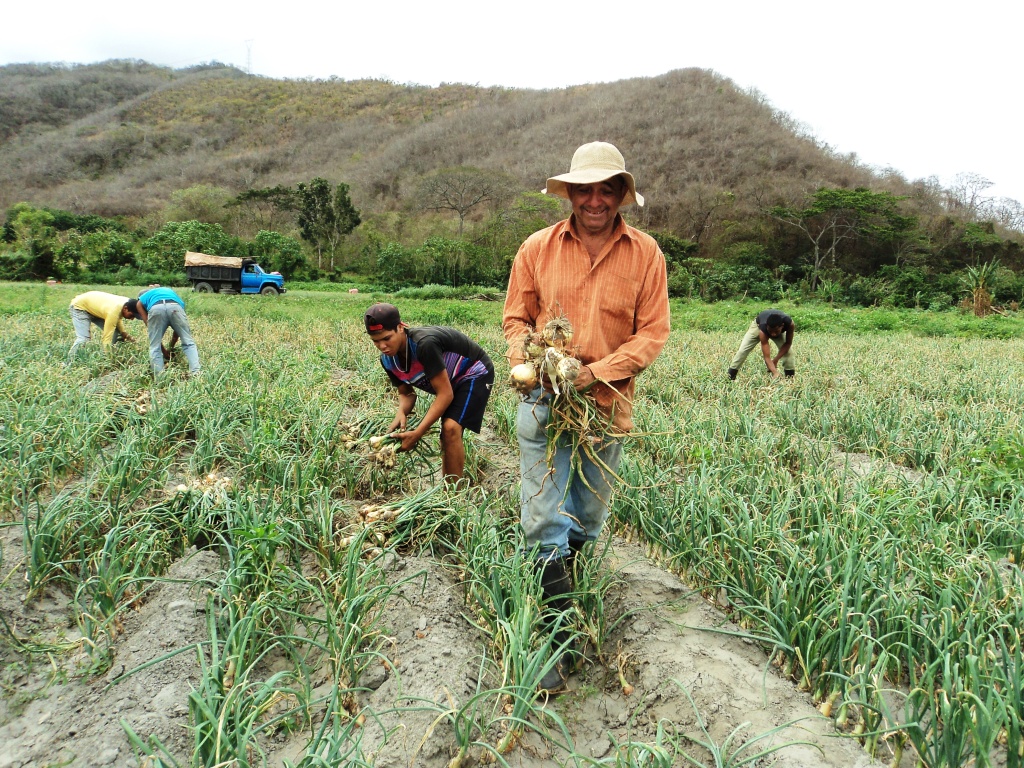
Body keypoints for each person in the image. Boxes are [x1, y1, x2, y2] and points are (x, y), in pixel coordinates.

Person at [503, 141, 671, 690]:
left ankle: (564, 575)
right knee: (543, 516)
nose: (594, 200)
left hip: (605, 406)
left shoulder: (646, 255)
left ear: (621, 194)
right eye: (584, 190)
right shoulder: (536, 247)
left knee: (587, 515)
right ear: (570, 193)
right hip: (544, 402)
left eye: (606, 189)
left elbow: (653, 333)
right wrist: (532, 362)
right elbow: (515, 318)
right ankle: (555, 635)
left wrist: (594, 373)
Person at [364, 302, 494, 483]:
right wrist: (402, 411)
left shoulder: (424, 345)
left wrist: (417, 433)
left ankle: (454, 496)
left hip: (473, 372)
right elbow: (407, 394)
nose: (382, 346)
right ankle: (447, 491)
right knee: (446, 436)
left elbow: (445, 394)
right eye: (376, 341)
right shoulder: (388, 361)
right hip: (449, 382)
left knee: (450, 429)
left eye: (387, 338)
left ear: (401, 327)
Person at [125, 287, 201, 377]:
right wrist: (170, 348)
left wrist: (149, 325)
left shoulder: (142, 298)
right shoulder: (168, 292)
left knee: (154, 346)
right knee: (189, 343)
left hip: (156, 309)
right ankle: (196, 373)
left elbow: (140, 308)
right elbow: (176, 334)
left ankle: (159, 377)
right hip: (175, 306)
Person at [67, 290, 138, 362]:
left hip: (94, 307)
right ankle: (68, 362)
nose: (132, 319)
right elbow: (107, 338)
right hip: (79, 307)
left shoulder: (127, 303)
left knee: (116, 333)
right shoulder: (113, 311)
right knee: (83, 338)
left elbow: (117, 318)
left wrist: (123, 333)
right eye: (132, 315)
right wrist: (109, 360)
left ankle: (110, 354)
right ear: (125, 309)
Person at [727, 309, 795, 380]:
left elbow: (788, 343)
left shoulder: (790, 324)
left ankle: (790, 379)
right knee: (743, 350)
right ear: (767, 327)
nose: (773, 334)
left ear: (782, 326)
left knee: (788, 352)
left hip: (775, 328)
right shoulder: (762, 329)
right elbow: (766, 356)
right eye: (770, 331)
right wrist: (775, 372)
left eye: (776, 331)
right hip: (757, 326)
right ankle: (730, 377)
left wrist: (775, 360)